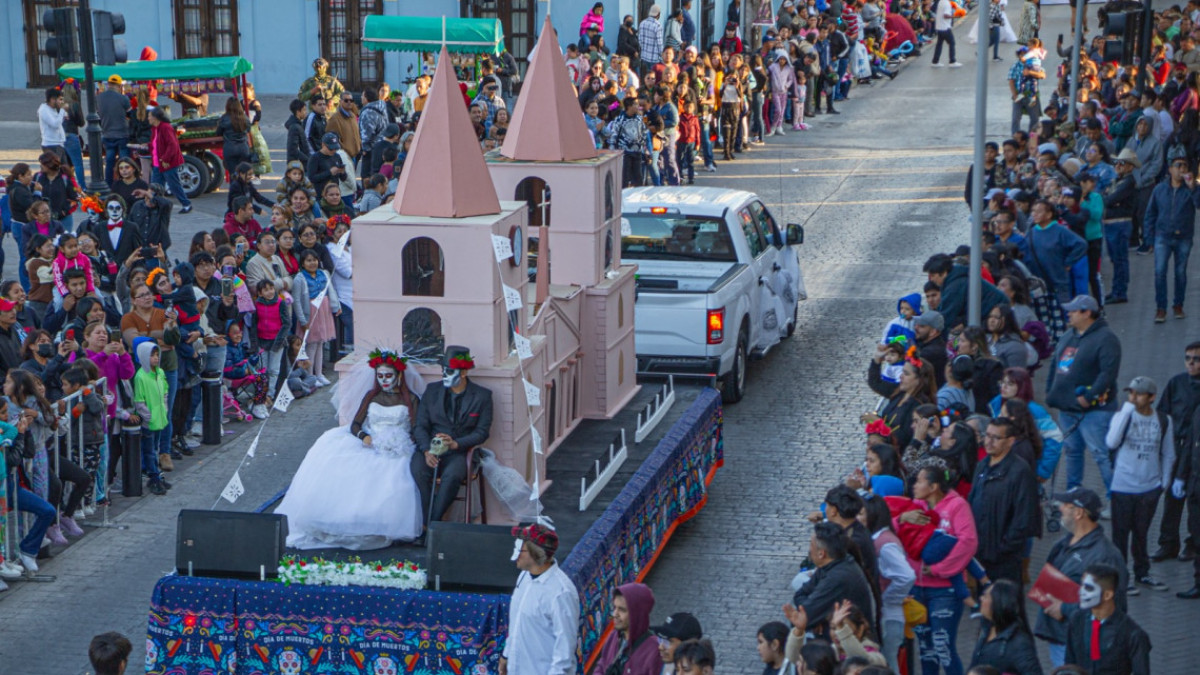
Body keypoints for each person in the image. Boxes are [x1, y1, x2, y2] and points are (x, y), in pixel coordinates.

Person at [276, 349, 424, 548]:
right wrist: (365, 437)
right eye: (380, 376)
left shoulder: (411, 399)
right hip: (371, 443)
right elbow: (356, 424)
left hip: (397, 449)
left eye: (388, 376)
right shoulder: (371, 396)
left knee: (390, 480)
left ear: (398, 376)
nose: (384, 381)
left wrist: (401, 442)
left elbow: (417, 429)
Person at [1034, 487, 1128, 668]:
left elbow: (1113, 607)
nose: (1059, 508)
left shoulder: (1105, 556)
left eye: (1065, 505)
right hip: (1061, 637)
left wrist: (1065, 609)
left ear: (1078, 513)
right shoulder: (1063, 543)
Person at [409, 347, 494, 533]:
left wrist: (456, 443)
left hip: (460, 451)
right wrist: (426, 450)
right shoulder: (432, 391)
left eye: (449, 371)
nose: (444, 375)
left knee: (452, 476)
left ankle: (431, 525)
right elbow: (420, 426)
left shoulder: (482, 396)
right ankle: (430, 524)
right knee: (418, 470)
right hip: (430, 448)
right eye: (443, 371)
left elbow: (482, 432)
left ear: (463, 372)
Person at [903, 465, 978, 675]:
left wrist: (938, 569)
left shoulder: (957, 506)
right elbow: (891, 526)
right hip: (917, 589)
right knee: (926, 649)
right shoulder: (916, 506)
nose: (914, 485)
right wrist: (901, 519)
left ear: (934, 486)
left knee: (943, 646)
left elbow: (968, 542)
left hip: (945, 592)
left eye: (919, 481)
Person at [1046, 295, 1121, 500]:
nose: (1068, 313)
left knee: (1101, 454)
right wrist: (1050, 391)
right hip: (1067, 408)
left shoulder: (1106, 338)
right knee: (1072, 451)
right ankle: (1073, 495)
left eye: (1073, 310)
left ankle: (1115, 500)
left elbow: (1108, 373)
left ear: (1087, 313)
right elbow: (1055, 364)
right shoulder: (1068, 335)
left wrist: (1088, 397)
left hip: (1095, 411)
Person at [1106, 376, 1174, 592]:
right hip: (1123, 485)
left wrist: (1163, 483)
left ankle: (1142, 572)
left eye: (1139, 394)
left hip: (1149, 487)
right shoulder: (1123, 416)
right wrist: (1126, 411)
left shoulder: (1164, 420)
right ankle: (1120, 576)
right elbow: (1111, 441)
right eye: (1131, 393)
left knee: (1141, 532)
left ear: (1152, 397)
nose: (1133, 397)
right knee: (1120, 534)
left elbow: (1168, 453)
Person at [499, 524, 579, 675]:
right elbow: (517, 622)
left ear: (534, 554)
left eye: (519, 549)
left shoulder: (561, 593)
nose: (515, 554)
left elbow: (565, 651)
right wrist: (506, 654)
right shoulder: (524, 577)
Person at [968, 417, 1039, 584]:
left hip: (1003, 560)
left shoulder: (1020, 471)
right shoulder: (982, 465)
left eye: (996, 438)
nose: (989, 442)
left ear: (1010, 441)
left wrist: (1002, 549)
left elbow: (1024, 518)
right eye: (987, 435)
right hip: (979, 554)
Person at [1154, 341, 1200, 563]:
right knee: (1172, 497)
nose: (1191, 363)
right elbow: (1163, 413)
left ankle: (1193, 544)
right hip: (1178, 445)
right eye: (1188, 358)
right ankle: (1168, 543)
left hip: (1197, 451)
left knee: (1195, 499)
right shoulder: (1177, 383)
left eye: (1196, 359)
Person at [791, 521, 875, 638]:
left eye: (811, 544)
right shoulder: (833, 562)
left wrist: (814, 618)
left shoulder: (837, 578)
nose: (809, 550)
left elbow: (804, 616)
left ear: (821, 553)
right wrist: (817, 618)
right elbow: (800, 594)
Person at [1063, 564, 1151, 674]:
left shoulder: (1133, 634)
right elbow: (1069, 665)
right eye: (1081, 585)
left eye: (1089, 588)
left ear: (1107, 595)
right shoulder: (1077, 620)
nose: (1081, 592)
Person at [861, 495, 915, 672]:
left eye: (862, 513)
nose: (857, 517)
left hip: (890, 616)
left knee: (888, 664)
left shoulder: (884, 543)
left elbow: (906, 576)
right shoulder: (880, 538)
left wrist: (888, 598)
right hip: (888, 613)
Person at [1143, 156, 1200, 321]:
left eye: (1185, 166)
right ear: (1170, 169)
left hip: (1184, 237)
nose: (1181, 169)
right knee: (1160, 272)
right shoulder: (1160, 189)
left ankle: (1178, 305)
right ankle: (1161, 308)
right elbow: (1150, 214)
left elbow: (1198, 205)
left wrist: (1193, 188)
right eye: (1178, 165)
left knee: (1180, 273)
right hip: (1163, 236)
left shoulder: (1191, 188)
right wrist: (1148, 238)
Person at [969, 579, 1043, 675]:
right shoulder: (986, 628)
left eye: (986, 596)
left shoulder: (1019, 644)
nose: (981, 598)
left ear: (999, 603)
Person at [1024, 199, 1087, 303]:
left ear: (1049, 214)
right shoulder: (1031, 232)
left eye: (1039, 211)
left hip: (1058, 281)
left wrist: (1068, 262)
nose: (1034, 214)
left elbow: (1081, 244)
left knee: (1064, 312)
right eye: (1033, 211)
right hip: (1039, 284)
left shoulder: (1060, 230)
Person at [595, 583, 663, 675]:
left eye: (622, 610)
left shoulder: (654, 651)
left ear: (636, 614)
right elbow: (602, 665)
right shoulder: (614, 636)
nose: (615, 614)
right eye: (615, 608)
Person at [132, 339, 169, 495]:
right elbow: (139, 402)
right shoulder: (140, 377)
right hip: (149, 421)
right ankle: (153, 476)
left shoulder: (160, 373)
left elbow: (165, 392)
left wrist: (164, 410)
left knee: (156, 447)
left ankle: (155, 473)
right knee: (149, 450)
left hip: (160, 418)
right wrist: (149, 417)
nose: (155, 358)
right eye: (151, 355)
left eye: (156, 354)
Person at [147, 109, 193, 214]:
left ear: (155, 117)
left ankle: (186, 204)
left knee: (173, 184)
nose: (148, 118)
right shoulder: (155, 129)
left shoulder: (165, 128)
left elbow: (172, 145)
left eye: (149, 116)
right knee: (155, 186)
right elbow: (155, 144)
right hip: (157, 163)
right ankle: (154, 204)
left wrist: (165, 158)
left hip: (167, 163)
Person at [97, 75, 130, 185]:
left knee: (109, 162)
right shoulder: (123, 98)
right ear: (120, 85)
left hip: (107, 134)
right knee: (124, 162)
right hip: (122, 135)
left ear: (108, 84)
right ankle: (124, 183)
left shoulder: (99, 98)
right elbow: (130, 114)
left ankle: (109, 184)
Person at [285, 98, 312, 165]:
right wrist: (307, 159)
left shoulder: (298, 125)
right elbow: (293, 149)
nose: (306, 112)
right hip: (296, 164)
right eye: (304, 110)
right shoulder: (295, 127)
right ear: (298, 112)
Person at [640, 6, 665, 73]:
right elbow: (659, 43)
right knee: (654, 76)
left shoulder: (642, 23)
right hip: (654, 58)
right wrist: (662, 56)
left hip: (644, 56)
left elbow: (640, 40)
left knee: (648, 75)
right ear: (658, 14)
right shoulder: (657, 25)